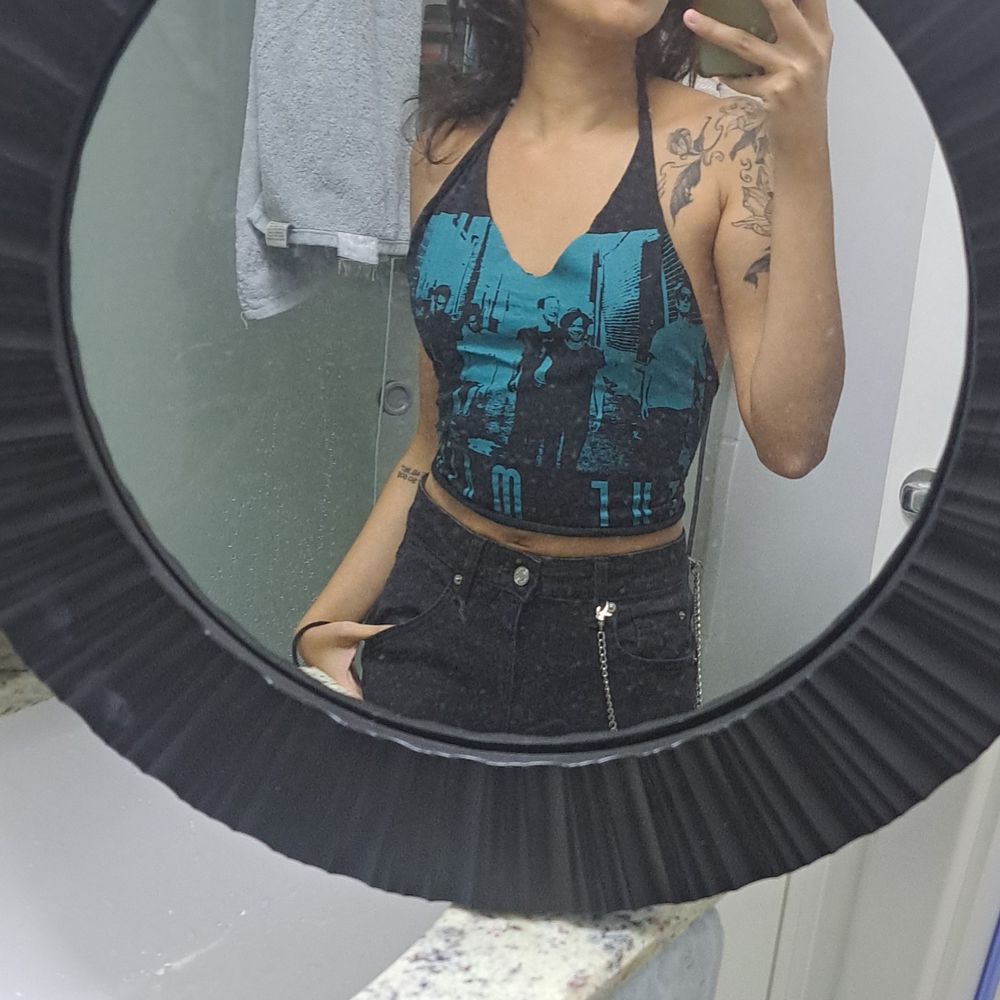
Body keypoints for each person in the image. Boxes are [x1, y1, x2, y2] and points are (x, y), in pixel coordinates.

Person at [294, 0, 843, 736]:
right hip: (432, 602)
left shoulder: (723, 149)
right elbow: (430, 446)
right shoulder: (445, 148)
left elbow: (792, 441)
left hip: (618, 639)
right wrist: (318, 624)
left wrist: (804, 143)